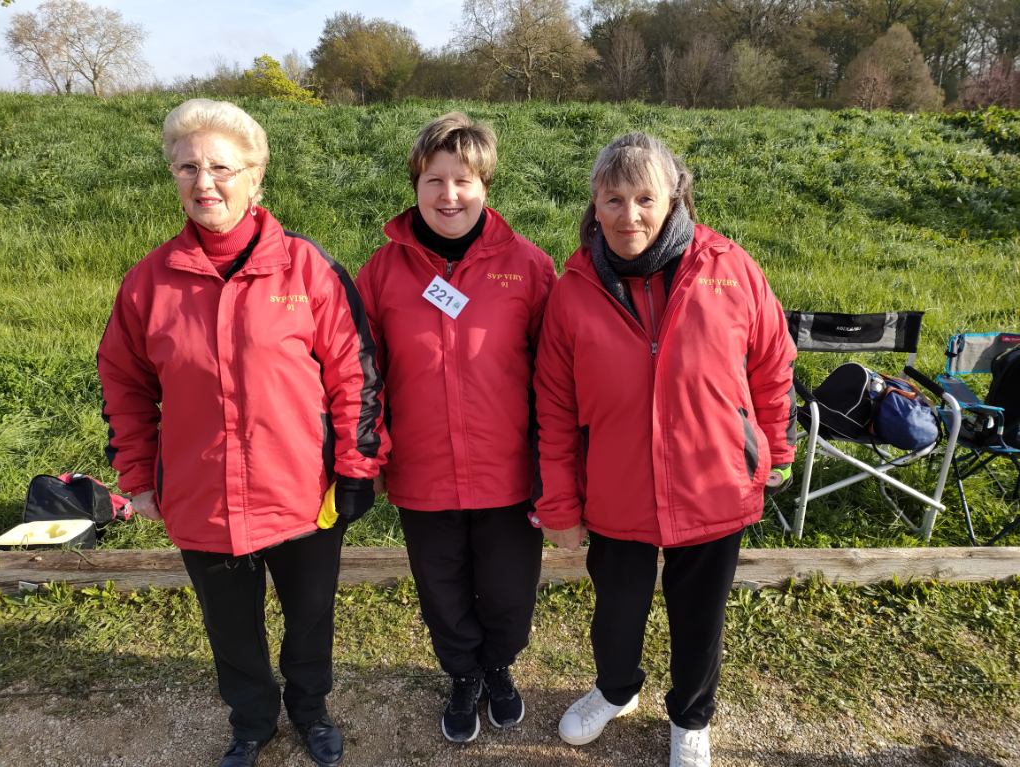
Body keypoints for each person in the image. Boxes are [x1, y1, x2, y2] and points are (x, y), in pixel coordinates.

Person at [97, 98, 389, 767]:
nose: (205, 183)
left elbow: (356, 373)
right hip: (201, 496)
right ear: (173, 177)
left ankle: (311, 710)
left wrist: (355, 466)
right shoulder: (148, 282)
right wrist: (138, 478)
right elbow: (125, 384)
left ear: (255, 176)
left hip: (303, 493)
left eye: (222, 167)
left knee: (309, 619)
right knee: (231, 629)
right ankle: (252, 721)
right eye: (188, 167)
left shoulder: (308, 269)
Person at [534, 132, 795, 767]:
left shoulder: (731, 268)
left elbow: (772, 366)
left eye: (645, 198)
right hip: (618, 489)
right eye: (614, 199)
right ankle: (615, 688)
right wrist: (560, 504)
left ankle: (690, 717)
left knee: (699, 617)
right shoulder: (572, 289)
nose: (630, 216)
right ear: (595, 204)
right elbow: (555, 406)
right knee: (616, 612)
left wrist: (776, 451)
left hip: (715, 483)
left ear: (674, 198)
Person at [355, 112, 556, 743]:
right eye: (434, 180)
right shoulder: (381, 273)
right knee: (442, 592)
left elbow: (554, 377)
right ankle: (463, 674)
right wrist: (375, 457)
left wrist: (554, 465)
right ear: (415, 184)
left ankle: (499, 666)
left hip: (508, 473)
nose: (449, 196)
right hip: (422, 472)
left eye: (463, 180)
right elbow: (364, 375)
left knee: (508, 596)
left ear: (485, 184)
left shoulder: (528, 267)